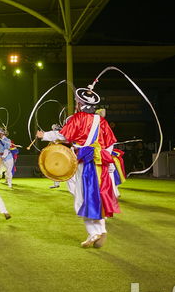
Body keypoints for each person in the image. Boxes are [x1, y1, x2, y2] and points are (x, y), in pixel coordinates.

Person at [36, 87, 119, 248]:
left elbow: (63, 135)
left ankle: (93, 233)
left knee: (82, 198)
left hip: (84, 162)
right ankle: (100, 229)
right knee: (97, 195)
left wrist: (44, 135)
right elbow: (110, 143)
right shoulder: (101, 121)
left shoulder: (77, 118)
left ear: (80, 104)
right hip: (100, 162)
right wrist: (105, 160)